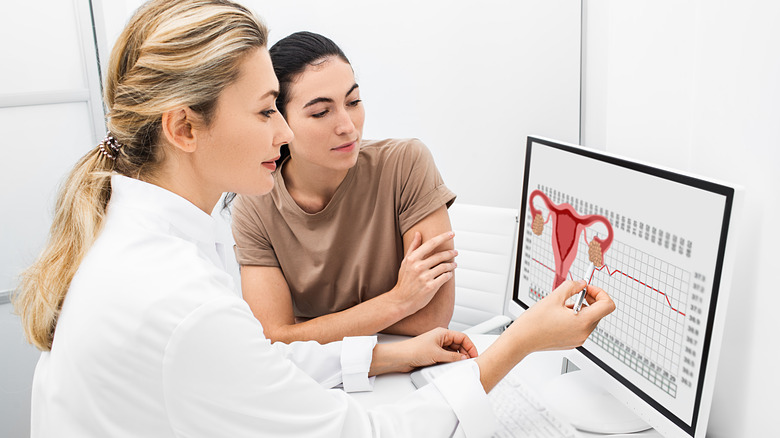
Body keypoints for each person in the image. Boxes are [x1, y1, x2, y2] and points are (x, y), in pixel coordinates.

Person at [13, 0, 614, 436]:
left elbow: (255, 356)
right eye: (266, 111)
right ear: (184, 128)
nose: (283, 132)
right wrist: (521, 343)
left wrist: (387, 354)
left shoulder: (142, 242)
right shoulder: (182, 295)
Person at [231, 31, 458, 344]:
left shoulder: (405, 164)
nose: (348, 127)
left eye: (353, 102)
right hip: (322, 378)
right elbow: (273, 338)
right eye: (321, 112)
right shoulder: (255, 205)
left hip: (411, 364)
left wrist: (308, 327)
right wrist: (399, 300)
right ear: (280, 121)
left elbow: (431, 319)